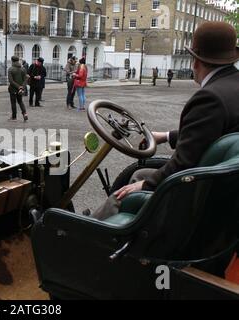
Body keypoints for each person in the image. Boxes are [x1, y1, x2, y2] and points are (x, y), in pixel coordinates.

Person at [88, 21, 239, 221]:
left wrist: (145, 186)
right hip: (221, 187)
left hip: (196, 195)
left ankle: (91, 232)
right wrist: (166, 136)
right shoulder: (232, 86)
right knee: (139, 174)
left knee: (123, 193)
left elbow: (183, 164)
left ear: (195, 61)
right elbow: (209, 134)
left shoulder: (210, 98)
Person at [8, 56, 28, 122]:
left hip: (13, 89)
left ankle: (14, 117)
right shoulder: (23, 69)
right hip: (20, 89)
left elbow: (11, 81)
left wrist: (18, 86)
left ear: (12, 61)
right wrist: (22, 87)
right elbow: (25, 79)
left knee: (13, 103)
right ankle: (25, 113)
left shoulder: (10, 69)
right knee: (20, 101)